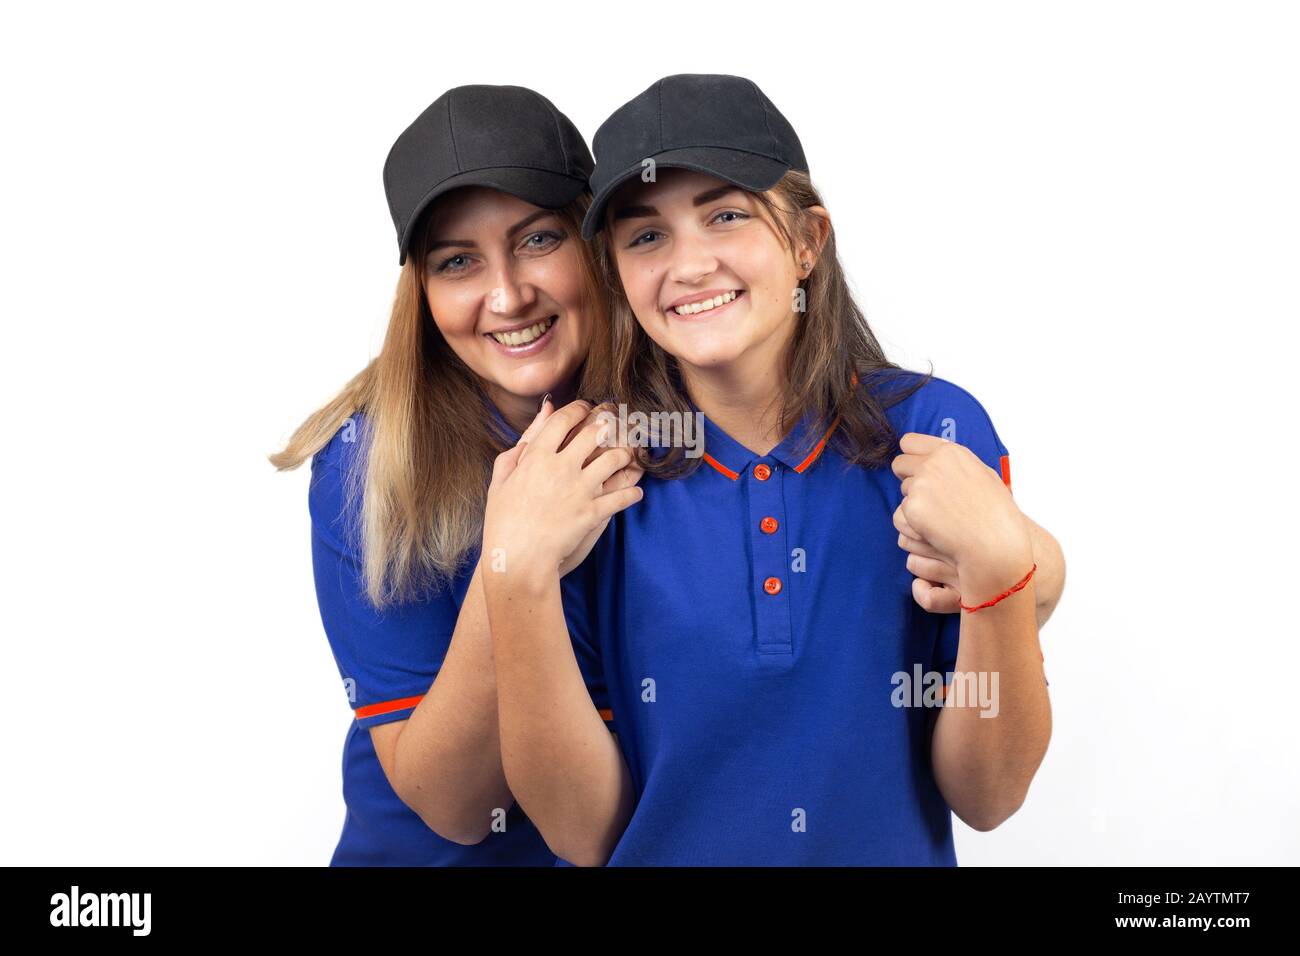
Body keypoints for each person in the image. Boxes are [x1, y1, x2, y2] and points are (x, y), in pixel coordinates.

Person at [482, 74, 1061, 865]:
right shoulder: (588, 469)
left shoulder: (934, 432)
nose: (689, 266)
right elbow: (585, 836)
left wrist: (1004, 579)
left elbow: (988, 798)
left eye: (725, 215)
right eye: (646, 236)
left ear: (806, 242)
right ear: (615, 272)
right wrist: (514, 580)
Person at [269, 85, 639, 865]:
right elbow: (455, 808)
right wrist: (514, 559)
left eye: (539, 240)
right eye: (458, 262)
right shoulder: (368, 464)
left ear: (596, 239)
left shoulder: (678, 416)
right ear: (423, 292)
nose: (506, 296)